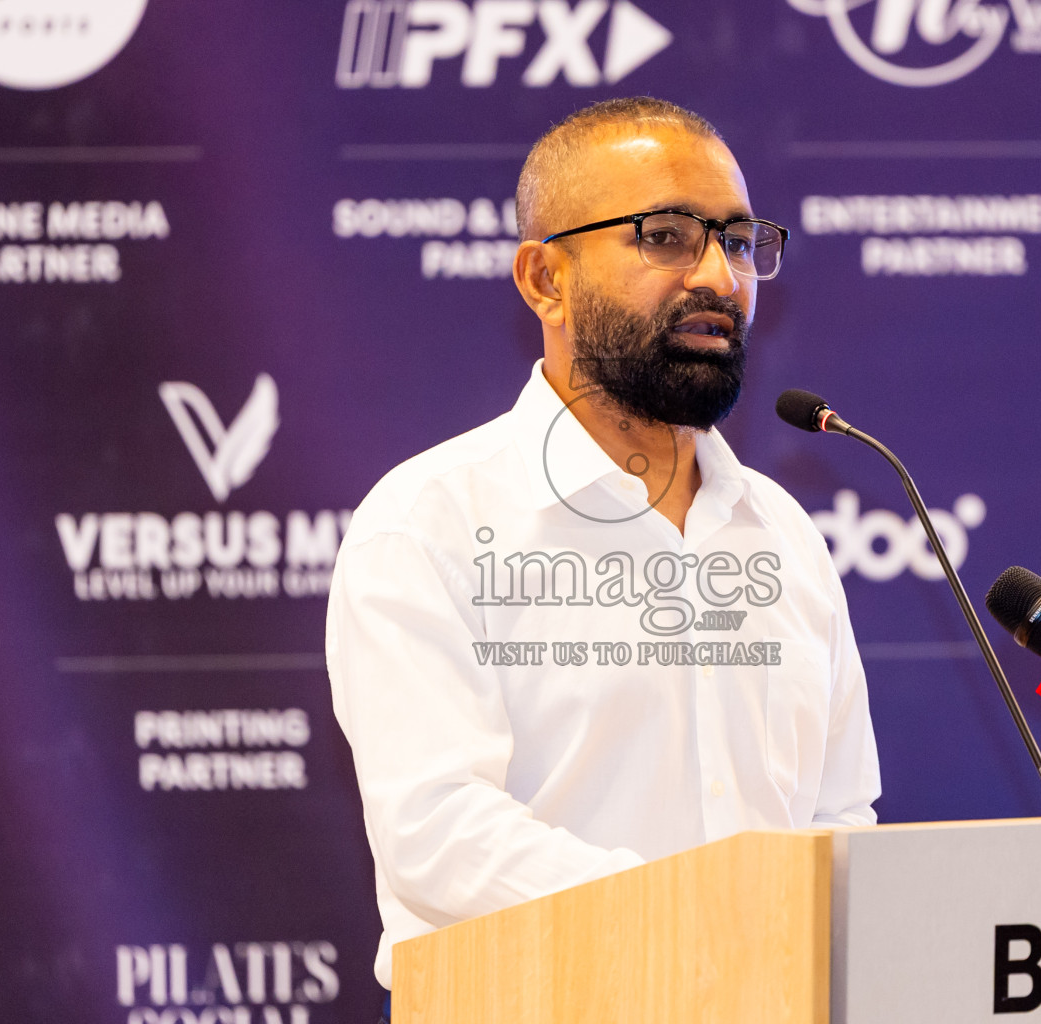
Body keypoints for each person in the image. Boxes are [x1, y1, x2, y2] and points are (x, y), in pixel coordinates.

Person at [326, 97, 881, 1001]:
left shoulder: (781, 534)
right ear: (545, 279)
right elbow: (437, 832)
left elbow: (837, 814)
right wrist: (706, 924)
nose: (718, 276)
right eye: (665, 237)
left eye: (739, 243)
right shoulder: (429, 522)